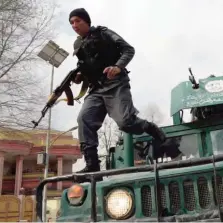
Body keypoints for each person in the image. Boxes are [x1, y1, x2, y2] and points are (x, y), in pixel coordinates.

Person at [69, 8, 166, 180]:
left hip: (116, 84)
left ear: (86, 21)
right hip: (96, 89)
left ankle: (150, 128)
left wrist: (118, 67)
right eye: (71, 23)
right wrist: (79, 76)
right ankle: (93, 166)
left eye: (77, 21)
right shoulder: (77, 45)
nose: (74, 25)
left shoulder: (103, 33)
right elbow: (86, 67)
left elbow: (128, 50)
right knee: (84, 119)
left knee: (126, 122)